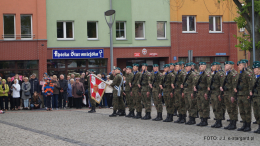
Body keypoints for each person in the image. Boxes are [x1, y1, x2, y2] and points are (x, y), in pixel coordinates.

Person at [220, 61, 238, 130]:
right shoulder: (226, 74)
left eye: (227, 65)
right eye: (225, 65)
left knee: (233, 109)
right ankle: (231, 122)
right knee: (229, 109)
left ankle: (234, 124)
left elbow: (234, 86)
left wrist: (233, 95)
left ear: (231, 66)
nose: (225, 66)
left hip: (231, 94)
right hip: (226, 94)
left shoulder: (234, 74)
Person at [236, 60, 253, 132]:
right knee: (242, 111)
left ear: (244, 65)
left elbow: (251, 84)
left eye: (240, 65)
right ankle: (244, 124)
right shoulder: (240, 73)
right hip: (240, 94)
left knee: (247, 110)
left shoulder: (247, 73)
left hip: (246, 95)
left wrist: (249, 94)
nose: (238, 66)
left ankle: (248, 126)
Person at [194, 62, 211, 126]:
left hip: (204, 93)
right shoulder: (199, 74)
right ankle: (202, 119)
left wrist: (207, 93)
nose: (200, 67)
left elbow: (209, 85)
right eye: (200, 66)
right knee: (200, 107)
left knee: (205, 107)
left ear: (205, 66)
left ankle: (205, 120)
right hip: (199, 93)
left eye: (202, 66)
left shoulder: (207, 74)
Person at [209, 62, 225, 128]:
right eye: (212, 66)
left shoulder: (220, 74)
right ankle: (217, 121)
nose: (212, 67)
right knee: (214, 108)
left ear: (217, 67)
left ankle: (219, 122)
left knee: (218, 108)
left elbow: (222, 85)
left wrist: (220, 94)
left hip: (217, 93)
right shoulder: (214, 74)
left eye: (213, 66)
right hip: (213, 93)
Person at [252, 63, 260, 133]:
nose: (254, 70)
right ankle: (259, 126)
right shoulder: (254, 77)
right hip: (255, 97)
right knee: (256, 113)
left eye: (255, 69)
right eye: (253, 69)